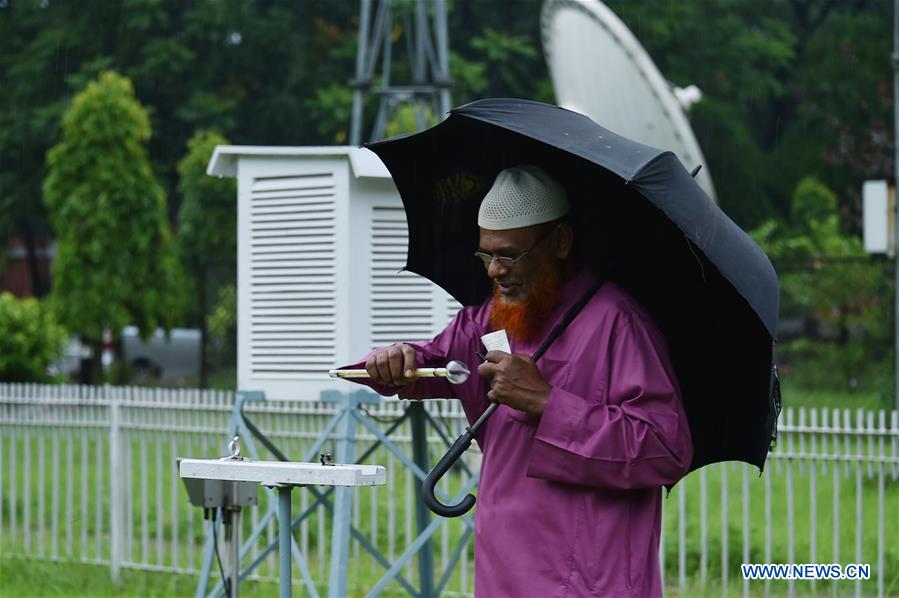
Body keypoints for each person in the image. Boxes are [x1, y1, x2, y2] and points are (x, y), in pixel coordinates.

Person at [344, 164, 694, 597]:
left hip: (590, 581)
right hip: (501, 571)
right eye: (486, 255)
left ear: (560, 242)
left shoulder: (618, 324)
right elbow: (431, 361)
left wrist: (547, 402)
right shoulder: (490, 320)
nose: (494, 270)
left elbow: (665, 449)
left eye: (509, 255)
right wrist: (394, 360)